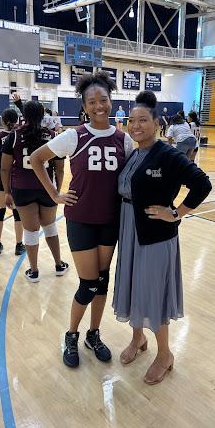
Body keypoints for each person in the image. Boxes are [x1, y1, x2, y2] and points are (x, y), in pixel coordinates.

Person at [30, 71, 133, 369]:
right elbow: (37, 159)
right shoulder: (74, 136)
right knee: (88, 283)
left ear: (111, 101)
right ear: (84, 106)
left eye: (103, 100)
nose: (99, 106)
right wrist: (54, 194)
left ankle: (93, 334)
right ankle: (71, 335)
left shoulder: (123, 139)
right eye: (92, 102)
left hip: (109, 221)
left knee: (102, 282)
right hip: (81, 220)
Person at [113, 90, 212, 385]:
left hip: (155, 235)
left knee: (153, 293)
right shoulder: (133, 152)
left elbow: (202, 184)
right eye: (132, 120)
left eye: (143, 120)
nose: (136, 126)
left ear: (157, 123)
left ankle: (165, 354)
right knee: (132, 286)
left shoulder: (167, 154)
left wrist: (176, 213)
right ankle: (138, 339)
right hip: (130, 230)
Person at [1, 101, 69, 282]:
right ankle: (59, 264)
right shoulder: (53, 135)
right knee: (50, 226)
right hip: (47, 189)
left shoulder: (13, 136)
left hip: (22, 189)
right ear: (43, 116)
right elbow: (60, 168)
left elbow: (5, 169)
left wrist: (7, 192)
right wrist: (56, 191)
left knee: (30, 231)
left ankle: (34, 271)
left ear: (23, 114)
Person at [0, 108, 25, 256]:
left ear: (2, 120)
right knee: (17, 214)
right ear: (16, 120)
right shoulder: (19, 136)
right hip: (16, 180)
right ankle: (18, 245)